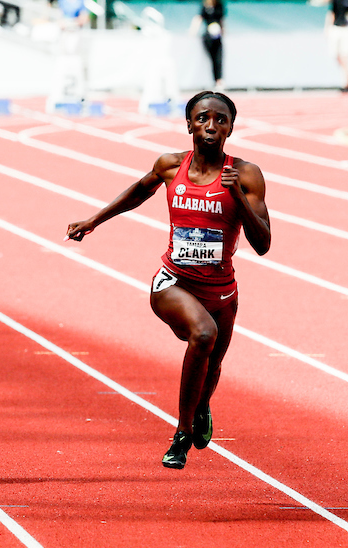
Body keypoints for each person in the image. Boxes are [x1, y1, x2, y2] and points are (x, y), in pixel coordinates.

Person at [66, 91, 271, 470]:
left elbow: (263, 244)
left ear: (231, 127)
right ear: (189, 123)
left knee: (212, 365)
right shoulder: (169, 165)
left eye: (221, 119)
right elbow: (137, 193)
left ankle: (202, 405)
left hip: (222, 291)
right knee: (203, 335)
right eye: (203, 118)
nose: (212, 125)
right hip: (172, 283)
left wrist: (238, 196)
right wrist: (93, 220)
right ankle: (180, 434)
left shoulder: (246, 174)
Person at [190, 0, 225, 88]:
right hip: (208, 35)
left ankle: (219, 80)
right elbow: (199, 18)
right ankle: (212, 80)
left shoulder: (219, 5)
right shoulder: (205, 6)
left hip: (217, 36)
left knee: (218, 58)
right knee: (210, 58)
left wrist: (223, 31)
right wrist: (193, 30)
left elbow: (222, 20)